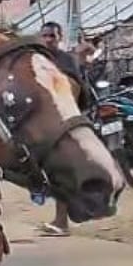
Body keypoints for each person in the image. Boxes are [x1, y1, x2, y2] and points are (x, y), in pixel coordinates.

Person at [36, 21, 88, 238]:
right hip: (46, 126)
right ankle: (60, 220)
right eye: (45, 35)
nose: (48, 39)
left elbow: (74, 89)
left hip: (65, 125)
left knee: (62, 173)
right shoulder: (36, 59)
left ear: (59, 37)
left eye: (52, 36)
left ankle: (62, 221)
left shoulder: (66, 61)